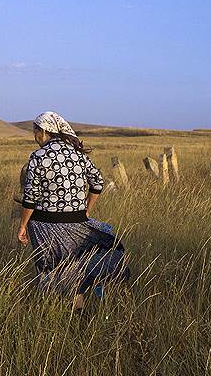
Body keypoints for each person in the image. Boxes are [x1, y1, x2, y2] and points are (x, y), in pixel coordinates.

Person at [16, 111, 129, 312]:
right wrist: (86, 210)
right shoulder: (77, 154)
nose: (34, 135)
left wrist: (22, 226)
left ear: (44, 131)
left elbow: (31, 198)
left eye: (35, 131)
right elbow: (98, 182)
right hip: (77, 223)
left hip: (46, 225)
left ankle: (54, 312)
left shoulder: (38, 156)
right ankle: (78, 311)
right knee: (75, 265)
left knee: (51, 270)